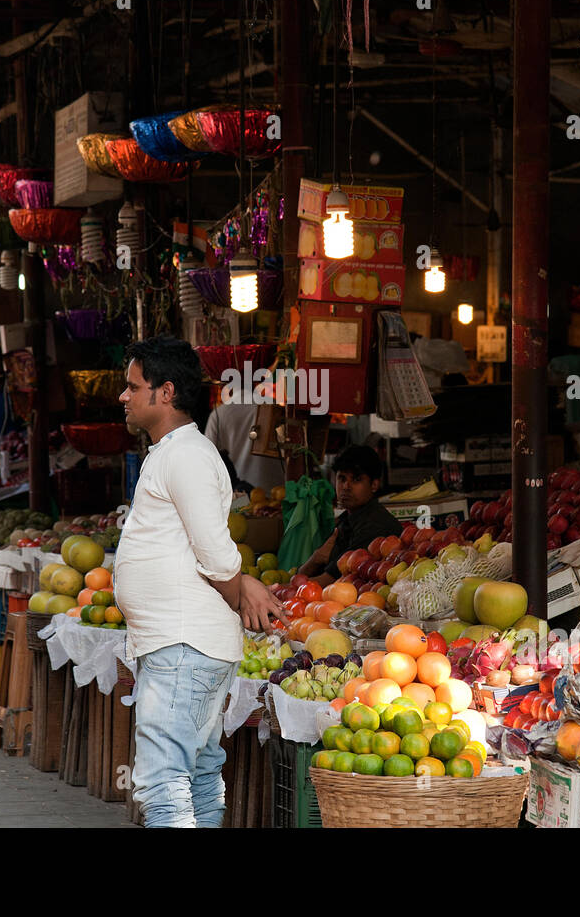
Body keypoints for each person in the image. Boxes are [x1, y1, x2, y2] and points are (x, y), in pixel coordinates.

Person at [115, 335, 285, 828]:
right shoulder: (174, 451)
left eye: (133, 386)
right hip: (185, 643)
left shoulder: (185, 453)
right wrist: (242, 585)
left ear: (165, 392)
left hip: (183, 644)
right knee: (199, 771)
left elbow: (212, 549)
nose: (124, 397)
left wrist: (240, 588)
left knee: (163, 777)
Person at [298, 444, 402, 587]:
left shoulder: (375, 525)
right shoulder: (345, 519)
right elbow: (303, 575)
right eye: (341, 478)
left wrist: (278, 590)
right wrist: (316, 558)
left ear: (374, 485)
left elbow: (325, 581)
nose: (346, 486)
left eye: (356, 479)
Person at [203, 383, 285, 493]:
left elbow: (207, 461)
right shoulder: (272, 406)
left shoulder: (218, 414)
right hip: (275, 490)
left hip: (239, 496)